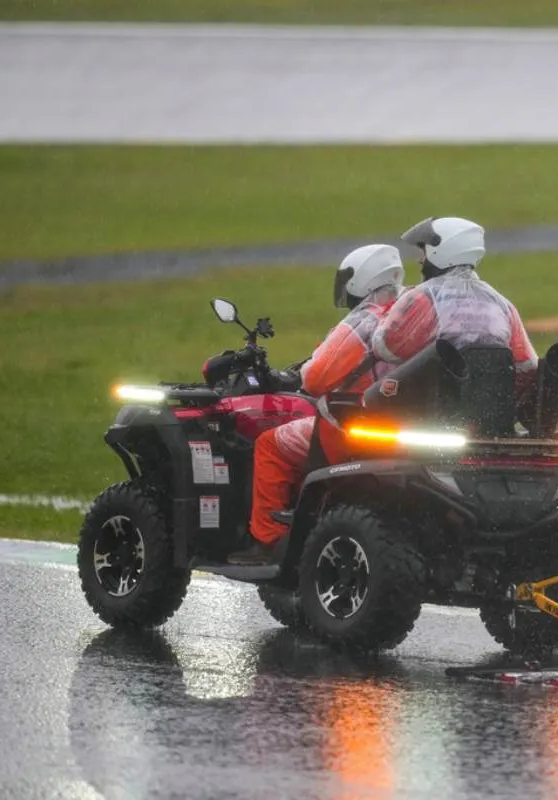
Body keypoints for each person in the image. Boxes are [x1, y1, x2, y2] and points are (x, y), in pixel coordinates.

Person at [228, 244, 404, 566]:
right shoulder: (410, 315)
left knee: (270, 445)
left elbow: (316, 379)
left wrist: (299, 373)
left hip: (352, 430)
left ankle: (268, 542)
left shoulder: (363, 321)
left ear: (359, 281)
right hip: (405, 430)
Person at [372, 216, 538, 398]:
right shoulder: (502, 303)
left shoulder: (423, 297)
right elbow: (527, 363)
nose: (421, 260)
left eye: (424, 252)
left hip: (431, 411)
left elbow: (387, 347)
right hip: (492, 410)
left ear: (440, 251)